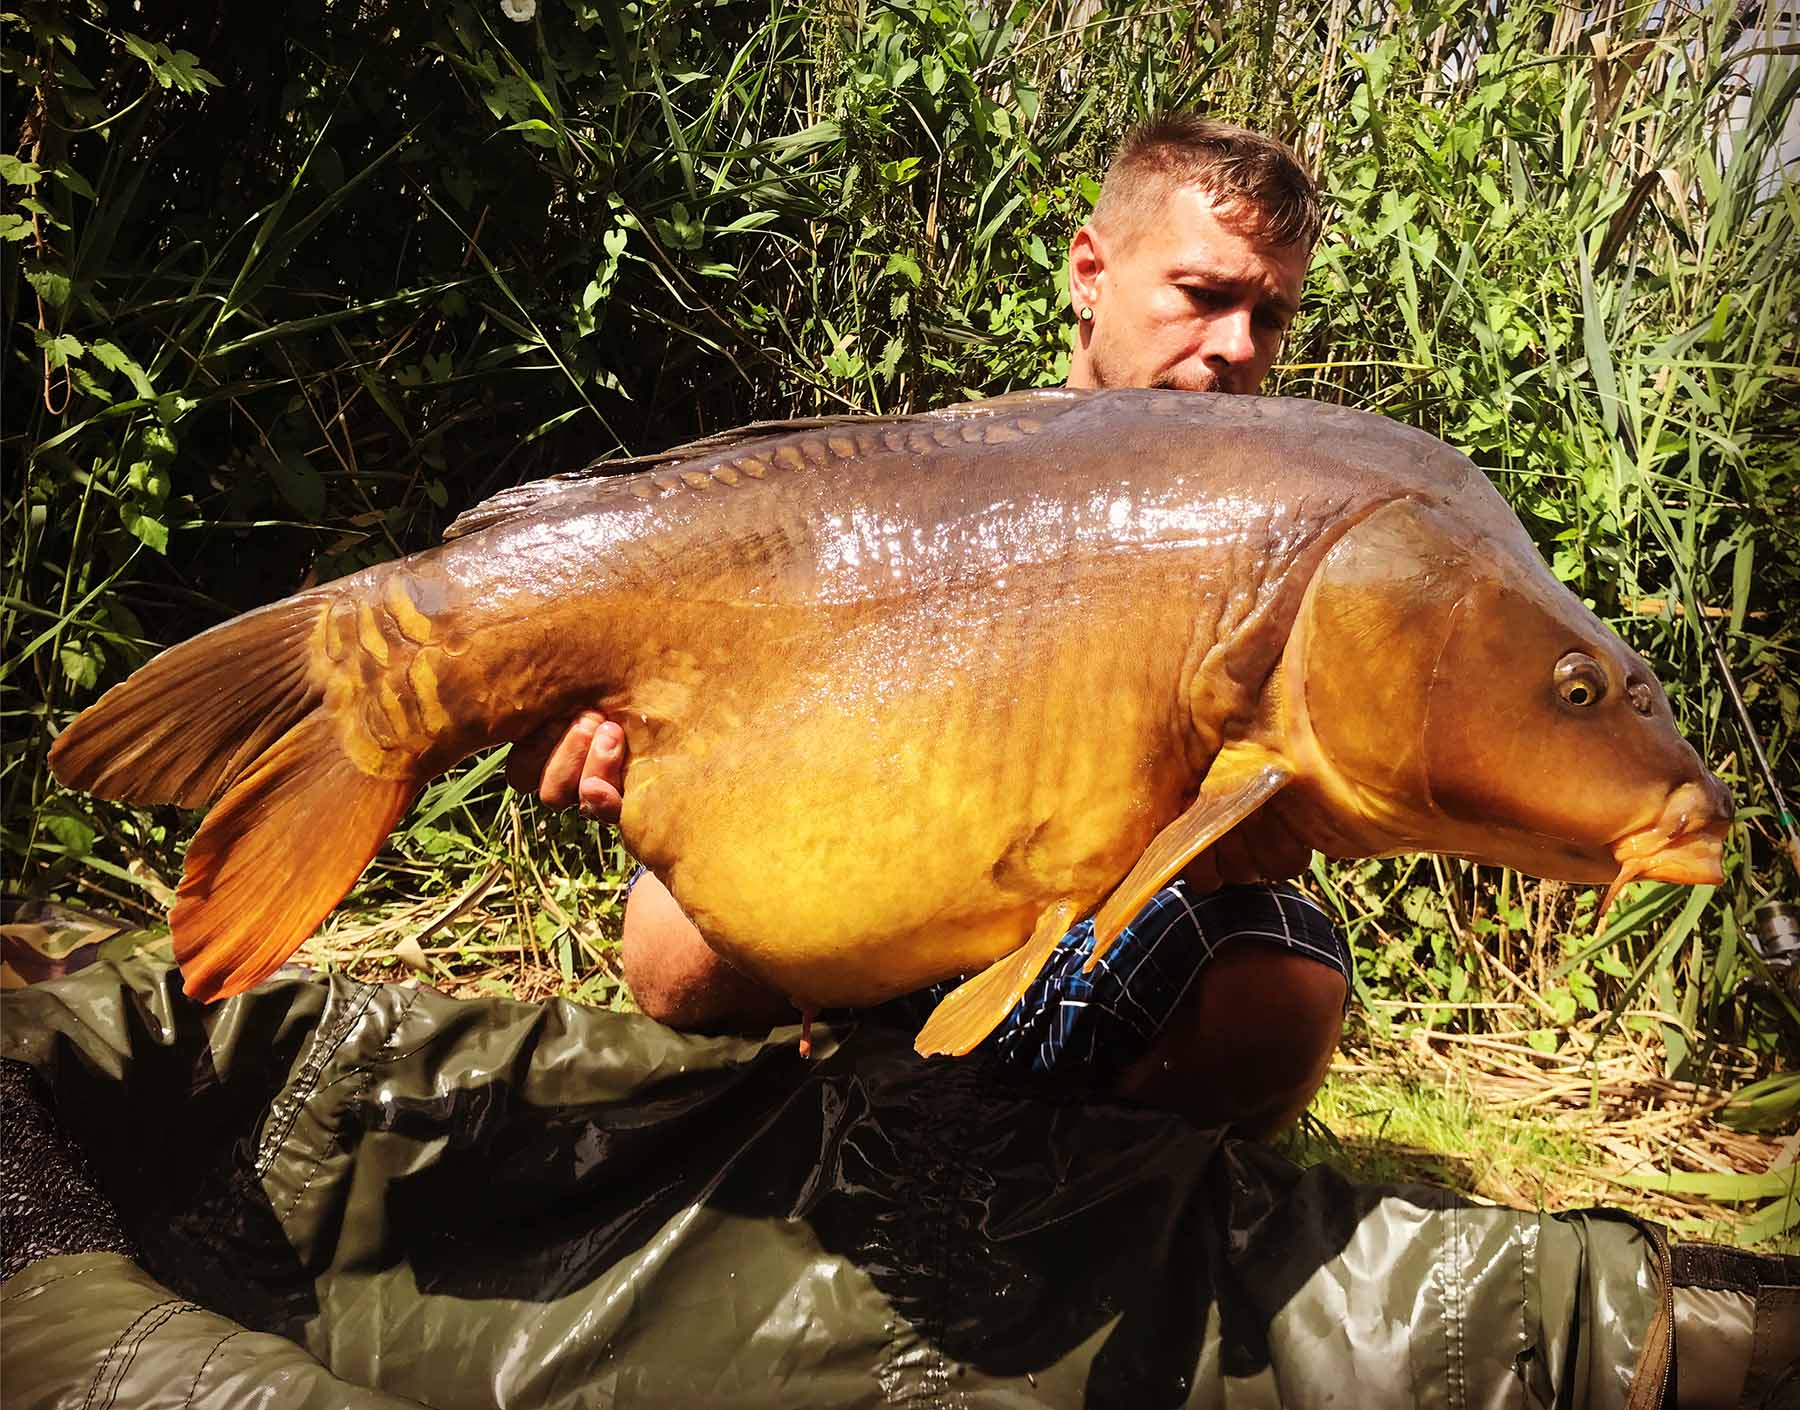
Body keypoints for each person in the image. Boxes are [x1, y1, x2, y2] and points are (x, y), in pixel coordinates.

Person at [508, 116, 1351, 1138]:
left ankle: (1080, 1189)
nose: (1235, 347)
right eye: (1206, 296)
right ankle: (854, 1086)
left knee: (1286, 982)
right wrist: (629, 752)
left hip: (1090, 928)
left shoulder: (1268, 534)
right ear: (1091, 274)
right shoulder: (934, 477)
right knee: (670, 954)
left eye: (1271, 317)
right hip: (878, 885)